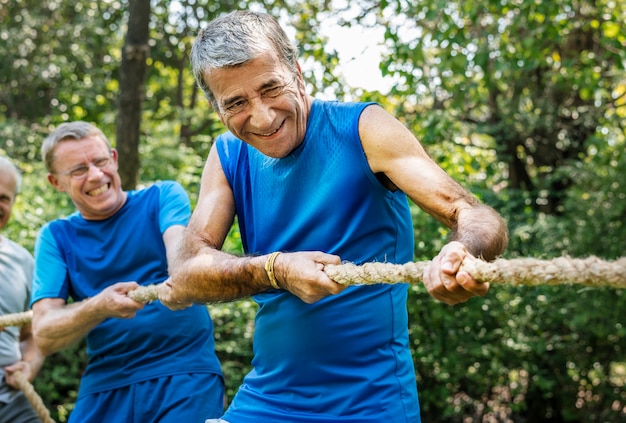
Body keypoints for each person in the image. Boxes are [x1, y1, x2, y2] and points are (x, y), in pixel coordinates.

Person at [159, 10, 509, 423]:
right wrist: (275, 270)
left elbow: (472, 212)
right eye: (236, 103)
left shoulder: (362, 128)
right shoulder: (227, 155)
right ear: (216, 107)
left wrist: (463, 252)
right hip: (264, 401)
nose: (263, 116)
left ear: (297, 73)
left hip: (370, 405)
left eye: (271, 88)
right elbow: (185, 271)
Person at [30, 122, 224, 422]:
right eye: (79, 170)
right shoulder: (56, 236)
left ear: (115, 159)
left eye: (100, 161)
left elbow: (180, 253)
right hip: (104, 385)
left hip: (184, 373)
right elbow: (43, 333)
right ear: (56, 182)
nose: (96, 175)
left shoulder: (161, 196)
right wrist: (99, 306)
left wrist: (184, 278)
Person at [0, 156, 45, 423]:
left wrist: (30, 362)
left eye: (4, 197)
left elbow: (32, 334)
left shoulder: (22, 260)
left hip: (9, 398)